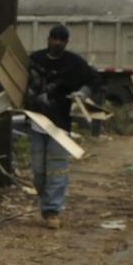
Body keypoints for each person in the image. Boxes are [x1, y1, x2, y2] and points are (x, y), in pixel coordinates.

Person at [24, 24, 98, 228]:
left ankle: (52, 211)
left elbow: (94, 79)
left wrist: (82, 93)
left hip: (59, 125)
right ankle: (46, 201)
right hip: (37, 121)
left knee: (57, 169)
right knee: (39, 170)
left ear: (66, 42)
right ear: (48, 39)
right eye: (54, 38)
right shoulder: (35, 59)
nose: (57, 43)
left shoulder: (74, 63)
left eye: (61, 40)